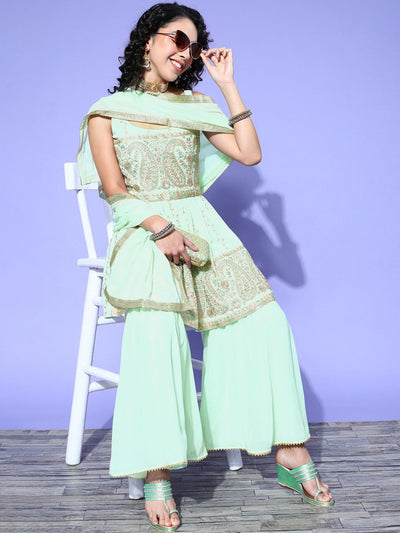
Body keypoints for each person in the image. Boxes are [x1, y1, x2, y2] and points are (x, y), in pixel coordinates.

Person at [78, 2, 334, 530]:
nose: (185, 51)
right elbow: (115, 193)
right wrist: (160, 227)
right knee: (156, 332)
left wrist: (228, 85)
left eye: (193, 45)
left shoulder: (196, 104)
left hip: (202, 225)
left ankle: (289, 452)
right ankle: (156, 470)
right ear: (148, 40)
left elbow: (250, 154)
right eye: (177, 38)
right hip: (143, 228)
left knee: (264, 320)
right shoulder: (106, 112)